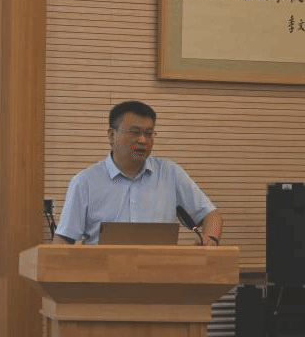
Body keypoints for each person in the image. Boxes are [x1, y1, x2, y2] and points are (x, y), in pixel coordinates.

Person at [53, 100, 223, 246]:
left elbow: (211, 216)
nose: (143, 140)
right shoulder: (85, 182)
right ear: (112, 135)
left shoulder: (170, 173)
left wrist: (211, 240)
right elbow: (63, 239)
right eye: (135, 132)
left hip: (159, 270)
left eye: (149, 134)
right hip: (102, 271)